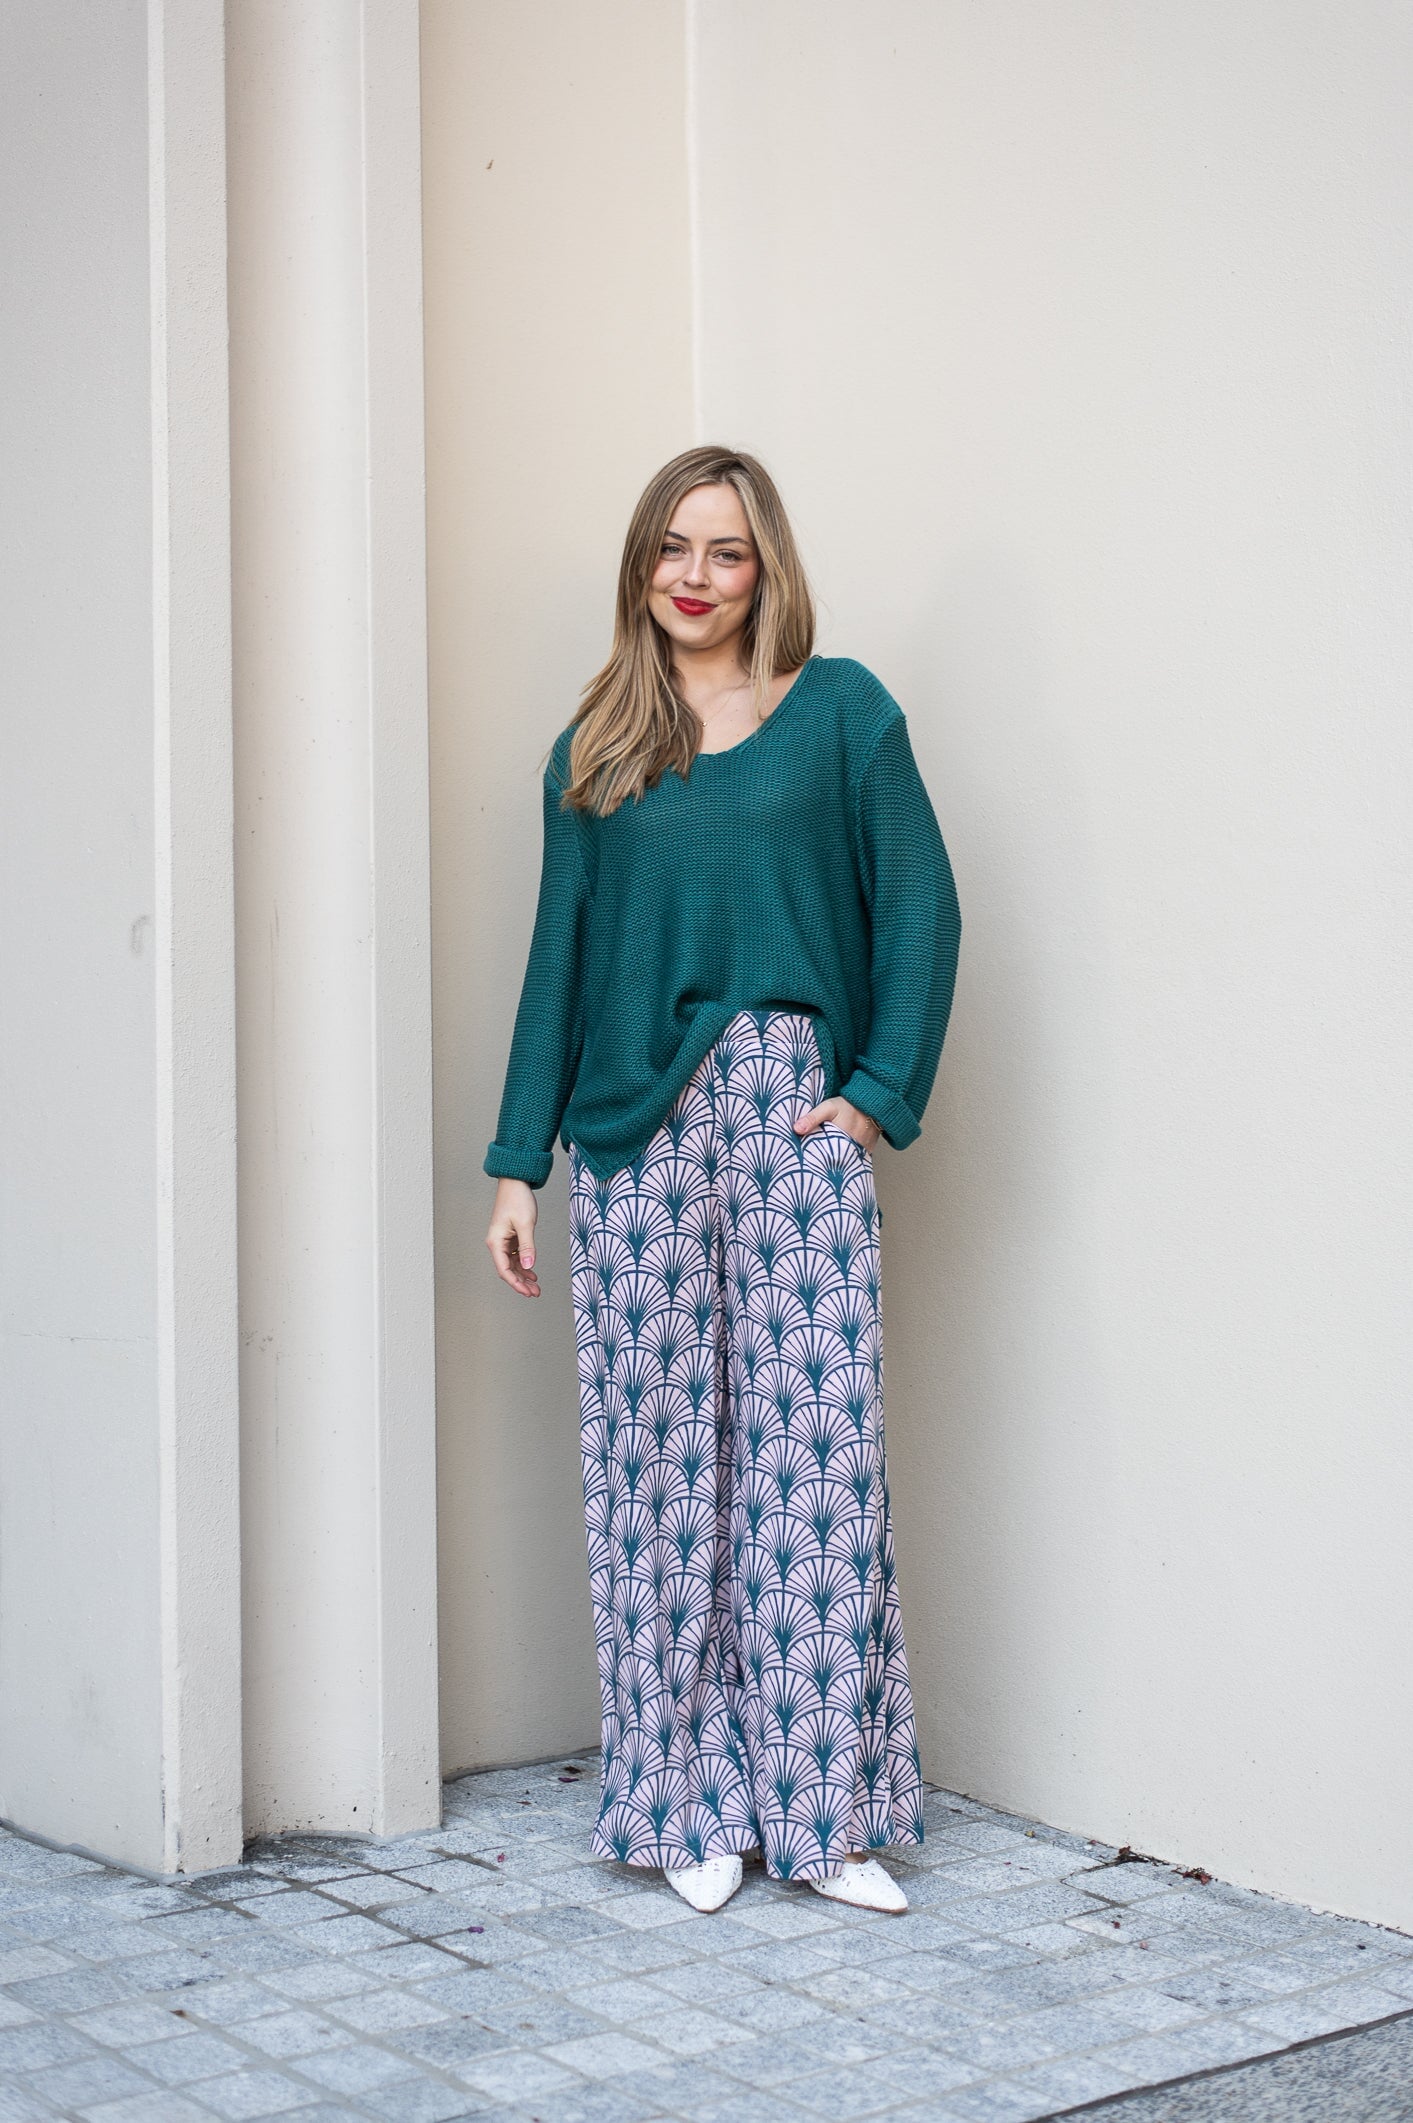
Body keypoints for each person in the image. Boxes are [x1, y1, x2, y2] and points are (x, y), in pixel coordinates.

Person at [484, 445, 961, 1916]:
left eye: (726, 551)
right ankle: (682, 1802)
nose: (693, 577)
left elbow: (921, 907)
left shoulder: (842, 714)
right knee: (658, 1468)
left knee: (814, 1464)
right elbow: (558, 963)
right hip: (632, 1132)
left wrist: (875, 1093)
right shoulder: (596, 748)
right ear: (642, 563)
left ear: (767, 570)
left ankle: (825, 1816)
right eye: (671, 548)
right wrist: (516, 1166)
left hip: (791, 1112)